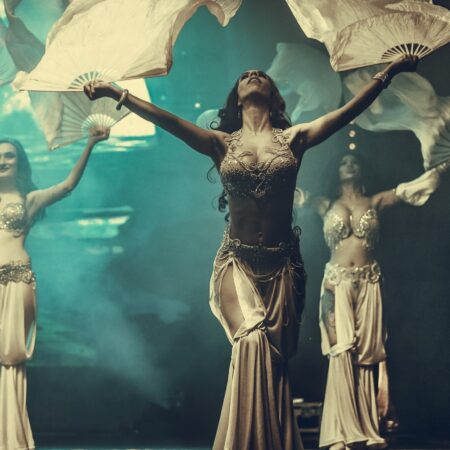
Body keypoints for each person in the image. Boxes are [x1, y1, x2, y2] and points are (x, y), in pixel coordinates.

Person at [84, 54, 416, 450]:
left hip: (283, 267)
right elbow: (167, 121)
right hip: (236, 263)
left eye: (260, 75)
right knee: (251, 340)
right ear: (236, 99)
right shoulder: (220, 143)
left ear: (273, 95)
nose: (253, 75)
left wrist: (388, 74)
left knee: (274, 361)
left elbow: (347, 113)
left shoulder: (295, 139)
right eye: (244, 75)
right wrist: (117, 94)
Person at [295, 150, 448, 449]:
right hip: (336, 282)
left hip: (370, 282)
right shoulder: (325, 204)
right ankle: (340, 432)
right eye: (343, 162)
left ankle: (364, 427)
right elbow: (292, 193)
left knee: (366, 354)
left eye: (354, 162)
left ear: (362, 169)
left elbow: (413, 188)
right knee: (341, 349)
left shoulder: (376, 201)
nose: (349, 165)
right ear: (336, 171)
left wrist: (442, 166)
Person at [0, 130, 108, 450]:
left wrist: (90, 144)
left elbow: (67, 186)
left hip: (16, 280)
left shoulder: (29, 200)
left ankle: (11, 437)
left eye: (9, 155)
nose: (2, 160)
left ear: (19, 163)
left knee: (11, 355)